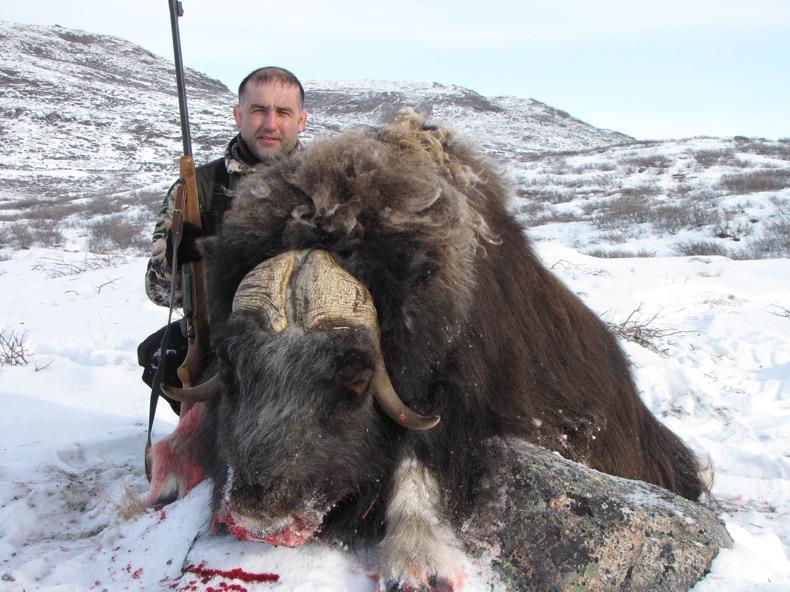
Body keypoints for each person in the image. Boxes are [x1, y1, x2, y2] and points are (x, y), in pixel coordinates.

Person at [138, 66, 308, 412]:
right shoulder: (195, 191)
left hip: (302, 346)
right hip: (220, 340)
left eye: (283, 112)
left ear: (301, 120)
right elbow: (158, 292)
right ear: (238, 115)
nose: (270, 124)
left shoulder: (326, 187)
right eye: (258, 110)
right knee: (160, 355)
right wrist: (178, 256)